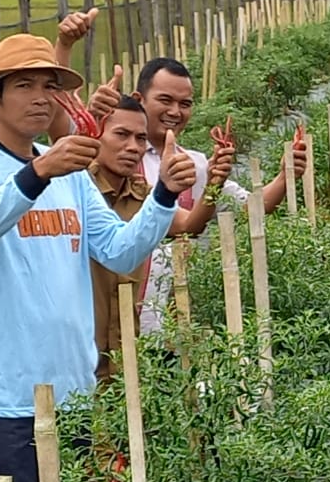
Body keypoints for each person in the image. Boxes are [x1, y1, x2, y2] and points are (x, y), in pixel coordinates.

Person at [0, 32, 196, 482]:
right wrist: (36, 173)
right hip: (3, 398)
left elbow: (119, 251)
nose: (40, 98)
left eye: (49, 86)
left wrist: (164, 194)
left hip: (73, 392)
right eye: (24, 86)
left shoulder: (71, 177)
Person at [131, 57, 307, 330]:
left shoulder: (195, 163)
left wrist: (285, 177)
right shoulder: (122, 161)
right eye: (165, 100)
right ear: (139, 100)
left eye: (185, 104)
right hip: (125, 320)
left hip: (181, 322)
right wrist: (212, 186)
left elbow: (250, 208)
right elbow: (180, 225)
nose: (175, 111)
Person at [86, 94, 153, 382]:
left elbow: (190, 224)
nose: (133, 147)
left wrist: (213, 184)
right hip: (79, 359)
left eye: (141, 139)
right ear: (95, 134)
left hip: (124, 356)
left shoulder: (143, 196)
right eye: (121, 135)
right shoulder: (72, 189)